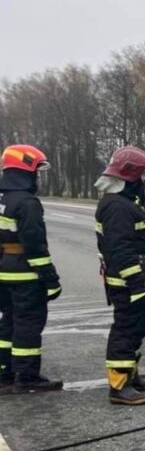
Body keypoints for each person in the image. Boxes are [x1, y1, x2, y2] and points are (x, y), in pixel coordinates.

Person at [95, 146, 145, 405]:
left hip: (136, 278)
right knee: (125, 330)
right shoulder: (117, 207)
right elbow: (120, 250)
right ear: (129, 175)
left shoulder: (124, 203)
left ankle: (130, 374)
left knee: (136, 328)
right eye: (142, 175)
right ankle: (118, 385)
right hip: (126, 282)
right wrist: (136, 284)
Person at [0, 145, 62, 394]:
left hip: (2, 274)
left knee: (8, 323)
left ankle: (4, 372)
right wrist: (51, 280)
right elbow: (35, 247)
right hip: (25, 276)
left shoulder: (3, 199)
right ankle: (27, 377)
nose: (37, 176)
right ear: (25, 171)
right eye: (36, 170)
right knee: (28, 325)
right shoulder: (27, 203)